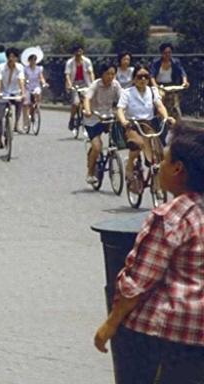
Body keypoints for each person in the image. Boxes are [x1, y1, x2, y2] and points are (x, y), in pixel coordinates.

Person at [94, 123, 204, 384]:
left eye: (164, 161)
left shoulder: (170, 217)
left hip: (174, 336)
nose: (159, 167)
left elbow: (137, 282)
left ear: (178, 169)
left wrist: (109, 325)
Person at [116, 64, 175, 194]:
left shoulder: (152, 91)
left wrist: (167, 117)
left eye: (146, 77)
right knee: (138, 144)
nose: (143, 79)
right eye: (139, 77)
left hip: (149, 125)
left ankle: (157, 184)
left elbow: (159, 106)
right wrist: (124, 121)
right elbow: (120, 109)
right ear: (134, 79)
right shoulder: (127, 93)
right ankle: (130, 166)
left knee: (158, 152)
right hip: (133, 125)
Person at [83, 62, 122, 185]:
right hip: (94, 119)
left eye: (113, 74)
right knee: (97, 146)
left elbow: (123, 99)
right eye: (108, 74)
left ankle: (113, 156)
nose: (110, 77)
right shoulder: (95, 85)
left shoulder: (116, 85)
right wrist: (88, 110)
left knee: (119, 139)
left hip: (108, 117)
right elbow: (87, 99)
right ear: (102, 74)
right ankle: (90, 172)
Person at [0, 47, 26, 150]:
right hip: (3, 93)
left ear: (16, 58)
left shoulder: (20, 67)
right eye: (9, 56)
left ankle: (16, 125)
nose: (11, 59)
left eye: (13, 57)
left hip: (15, 92)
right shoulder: (1, 67)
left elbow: (21, 80)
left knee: (20, 102)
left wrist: (23, 93)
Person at [150, 42, 190, 118]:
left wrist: (185, 81)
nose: (167, 55)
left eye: (169, 52)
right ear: (162, 53)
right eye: (165, 53)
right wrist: (155, 86)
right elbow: (152, 76)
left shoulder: (175, 62)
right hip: (159, 85)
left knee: (175, 103)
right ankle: (159, 117)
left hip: (172, 85)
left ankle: (177, 120)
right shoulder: (156, 63)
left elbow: (182, 73)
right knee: (160, 98)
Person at [64, 44, 94, 134]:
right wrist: (69, 84)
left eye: (80, 51)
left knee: (87, 102)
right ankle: (72, 118)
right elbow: (67, 75)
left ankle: (87, 122)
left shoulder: (87, 61)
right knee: (76, 103)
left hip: (85, 83)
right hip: (74, 83)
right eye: (77, 51)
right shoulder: (70, 62)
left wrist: (93, 83)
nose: (79, 53)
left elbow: (90, 72)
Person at [22, 53, 48, 132]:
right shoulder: (25, 69)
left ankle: (37, 107)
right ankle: (26, 122)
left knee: (37, 94)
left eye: (34, 60)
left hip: (36, 86)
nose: (33, 62)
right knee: (26, 104)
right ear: (29, 61)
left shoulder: (39, 68)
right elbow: (24, 78)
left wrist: (44, 83)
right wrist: (25, 82)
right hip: (28, 87)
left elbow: (41, 77)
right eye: (31, 60)